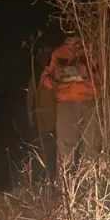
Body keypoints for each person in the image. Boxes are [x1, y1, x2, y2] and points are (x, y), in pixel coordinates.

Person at [42, 35, 100, 169]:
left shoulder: (92, 50)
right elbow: (45, 80)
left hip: (90, 102)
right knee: (65, 148)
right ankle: (65, 186)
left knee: (91, 146)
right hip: (66, 104)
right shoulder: (58, 53)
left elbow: (107, 78)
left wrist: (88, 73)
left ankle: (90, 185)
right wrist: (55, 77)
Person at [26, 67, 57, 177]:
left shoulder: (56, 74)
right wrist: (31, 118)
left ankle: (52, 175)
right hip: (43, 123)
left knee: (56, 151)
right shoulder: (37, 77)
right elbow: (30, 98)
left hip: (57, 120)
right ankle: (44, 176)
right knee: (45, 150)